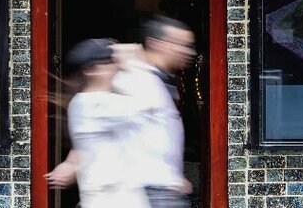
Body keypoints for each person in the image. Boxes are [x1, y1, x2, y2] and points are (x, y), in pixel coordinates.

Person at [46, 38, 149, 208]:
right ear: (90, 71)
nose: (115, 67)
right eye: (108, 63)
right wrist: (135, 64)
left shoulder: (80, 102)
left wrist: (70, 165)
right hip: (113, 198)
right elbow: (146, 106)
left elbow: (82, 149)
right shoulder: (96, 104)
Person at [114, 16, 196, 208]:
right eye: (179, 44)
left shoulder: (162, 81)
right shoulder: (131, 80)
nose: (188, 52)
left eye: (188, 45)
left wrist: (174, 176)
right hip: (144, 193)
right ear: (154, 43)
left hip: (163, 191)